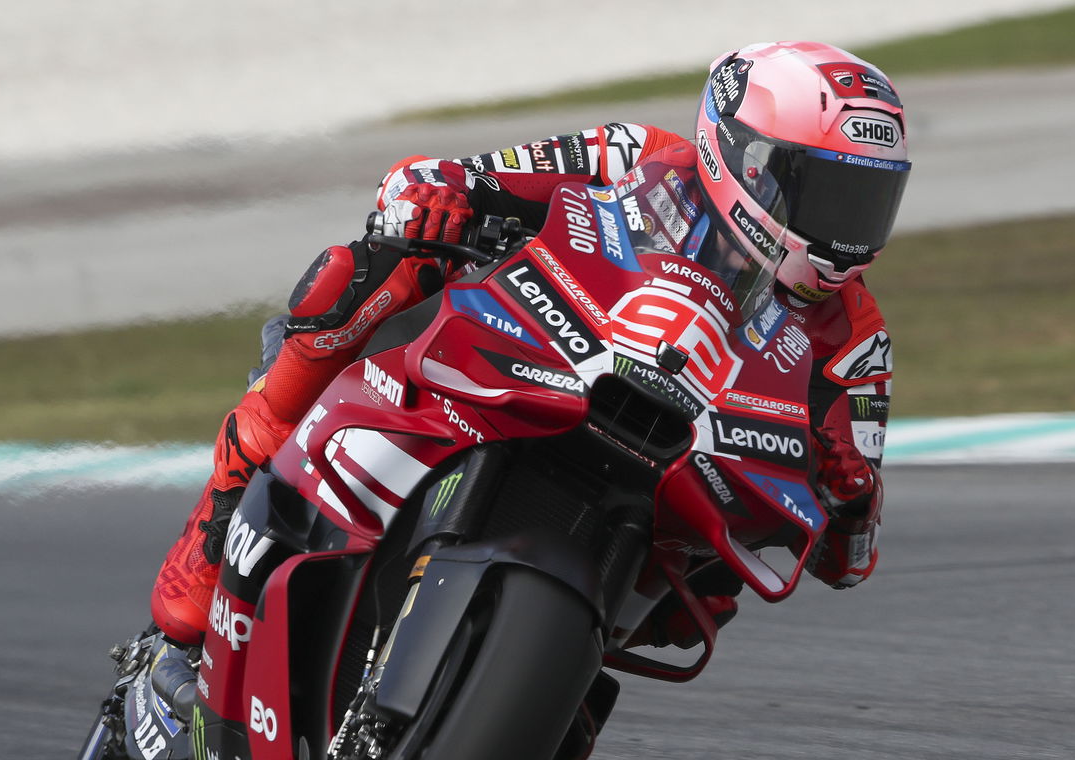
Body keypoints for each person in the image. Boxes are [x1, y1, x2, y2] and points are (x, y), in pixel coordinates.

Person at [149, 40, 908, 655]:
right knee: (357, 275)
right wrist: (439, 205)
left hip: (675, 485)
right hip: (541, 355)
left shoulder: (855, 335)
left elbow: (851, 560)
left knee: (701, 604)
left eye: (870, 201)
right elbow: (432, 181)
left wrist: (849, 496)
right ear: (746, 158)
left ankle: (528, 693)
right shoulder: (635, 156)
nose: (848, 230)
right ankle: (218, 528)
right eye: (829, 194)